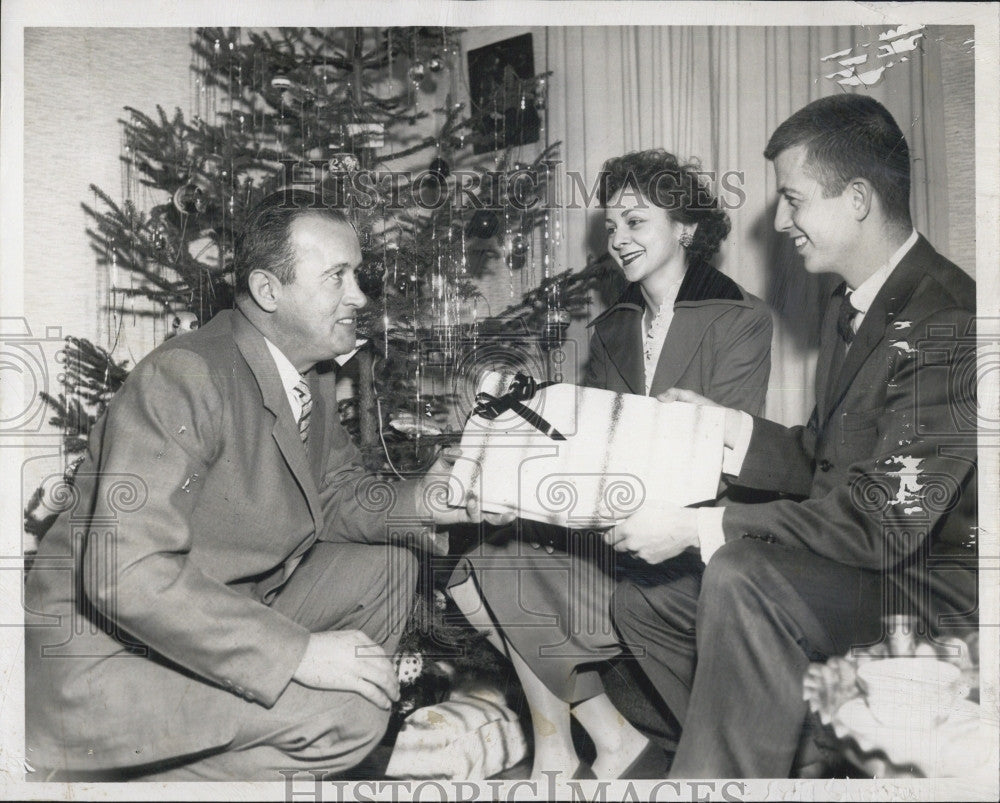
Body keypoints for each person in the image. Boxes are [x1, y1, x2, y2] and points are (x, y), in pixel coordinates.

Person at [24, 189, 499, 781]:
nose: (359, 295)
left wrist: (426, 498)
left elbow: (334, 491)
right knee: (350, 713)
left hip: (209, 620)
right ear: (269, 292)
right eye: (337, 277)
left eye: (357, 274)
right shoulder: (186, 375)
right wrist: (297, 654)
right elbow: (123, 574)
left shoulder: (310, 375)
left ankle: (263, 753)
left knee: (389, 565)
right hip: (104, 661)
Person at [609, 95, 978, 777]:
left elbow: (881, 519)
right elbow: (821, 458)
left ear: (858, 198)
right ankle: (771, 758)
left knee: (742, 572)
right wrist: (724, 428)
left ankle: (719, 776)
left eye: (793, 200)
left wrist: (701, 527)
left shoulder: (946, 319)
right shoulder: (860, 302)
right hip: (871, 565)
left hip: (927, 592)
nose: (780, 222)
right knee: (647, 599)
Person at [449, 150, 773, 779]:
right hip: (614, 531)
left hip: (691, 546)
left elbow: (729, 465)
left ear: (685, 227)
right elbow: (589, 451)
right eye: (613, 227)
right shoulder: (610, 330)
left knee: (517, 565)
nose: (619, 240)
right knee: (489, 560)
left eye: (636, 222)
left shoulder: (740, 316)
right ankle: (574, 743)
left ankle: (583, 747)